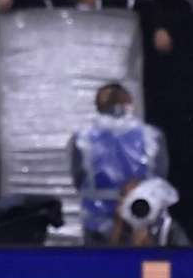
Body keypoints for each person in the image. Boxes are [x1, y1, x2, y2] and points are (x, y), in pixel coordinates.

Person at [68, 83, 168, 245]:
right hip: (142, 219)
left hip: (98, 223)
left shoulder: (83, 139)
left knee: (101, 268)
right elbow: (160, 176)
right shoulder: (151, 136)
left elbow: (79, 179)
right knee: (146, 267)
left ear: (98, 105)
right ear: (129, 103)